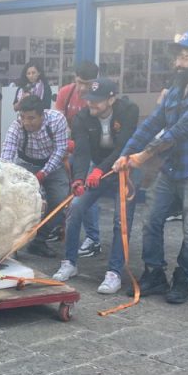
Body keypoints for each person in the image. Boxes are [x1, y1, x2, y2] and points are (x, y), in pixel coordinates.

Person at [113, 30, 188, 304]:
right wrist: (125, 154)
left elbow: (180, 130)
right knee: (151, 219)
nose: (178, 63)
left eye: (185, 57)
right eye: (177, 57)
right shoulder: (175, 89)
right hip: (173, 165)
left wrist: (144, 156)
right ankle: (154, 273)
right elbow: (153, 123)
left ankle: (184, 279)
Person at [51, 78, 140, 294]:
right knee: (76, 207)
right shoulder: (82, 117)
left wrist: (101, 169)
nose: (92, 105)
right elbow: (81, 151)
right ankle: (69, 262)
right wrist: (79, 178)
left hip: (126, 168)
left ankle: (114, 272)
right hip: (98, 168)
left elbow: (124, 146)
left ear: (111, 99)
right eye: (89, 100)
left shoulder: (128, 111)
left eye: (97, 101)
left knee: (121, 220)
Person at [0, 94, 69, 258]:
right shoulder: (17, 126)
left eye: (31, 118)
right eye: (23, 117)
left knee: (60, 202)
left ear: (42, 114)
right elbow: (7, 154)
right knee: (17, 202)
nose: (26, 122)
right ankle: (12, 245)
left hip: (53, 164)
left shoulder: (57, 120)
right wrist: (4, 176)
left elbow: (60, 150)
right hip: (26, 165)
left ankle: (39, 241)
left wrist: (44, 173)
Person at [54, 60, 102, 257]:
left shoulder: (99, 97)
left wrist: (73, 146)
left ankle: (93, 238)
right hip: (68, 147)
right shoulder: (65, 92)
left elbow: (97, 134)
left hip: (90, 151)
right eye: (79, 82)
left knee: (86, 192)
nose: (82, 88)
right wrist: (64, 146)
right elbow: (58, 123)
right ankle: (58, 228)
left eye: (87, 83)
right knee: (61, 188)